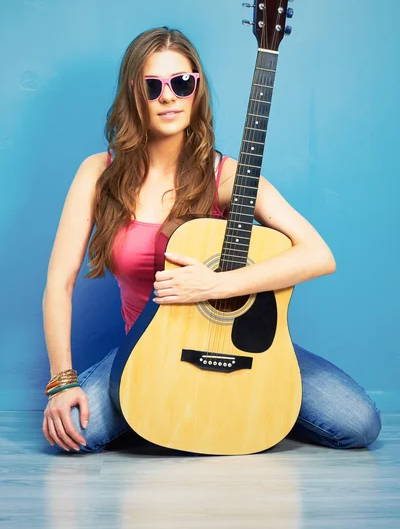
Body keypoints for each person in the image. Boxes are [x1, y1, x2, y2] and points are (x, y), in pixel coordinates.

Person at [42, 26, 381, 454]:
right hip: (151, 349)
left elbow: (318, 254)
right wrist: (62, 380)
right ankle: (170, 407)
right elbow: (59, 283)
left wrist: (217, 286)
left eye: (182, 83)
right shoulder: (98, 172)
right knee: (72, 428)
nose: (169, 97)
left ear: (196, 89)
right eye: (154, 86)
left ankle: (257, 402)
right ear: (134, 93)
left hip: (240, 346)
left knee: (360, 423)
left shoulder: (225, 176)